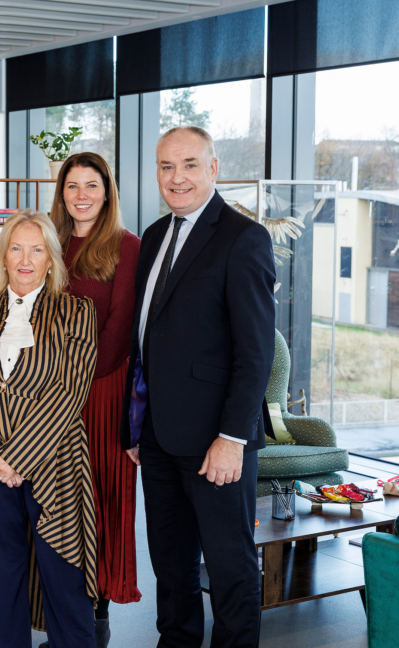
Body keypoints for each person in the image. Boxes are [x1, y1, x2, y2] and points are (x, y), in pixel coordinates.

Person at [121, 126, 275, 648]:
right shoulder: (154, 235)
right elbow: (148, 341)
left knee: (231, 568)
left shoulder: (243, 237)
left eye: (189, 165)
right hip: (160, 439)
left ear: (213, 169)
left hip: (217, 443)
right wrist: (138, 424)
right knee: (171, 566)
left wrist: (233, 437)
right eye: (166, 167)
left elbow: (255, 353)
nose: (176, 177)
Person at [0, 210, 98, 648]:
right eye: (16, 248)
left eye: (37, 249)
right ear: (4, 257)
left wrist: (17, 458)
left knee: (63, 580)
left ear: (51, 259)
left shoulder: (75, 311)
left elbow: (70, 392)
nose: (26, 259)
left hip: (54, 462)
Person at [48, 152, 141, 648]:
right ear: (61, 192)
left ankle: (95, 623)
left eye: (92, 185)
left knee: (99, 506)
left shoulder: (128, 247)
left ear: (108, 192)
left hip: (100, 396)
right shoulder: (49, 244)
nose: (81, 194)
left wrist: (70, 383)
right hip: (46, 396)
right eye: (72, 185)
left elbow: (120, 331)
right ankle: (64, 619)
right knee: (56, 507)